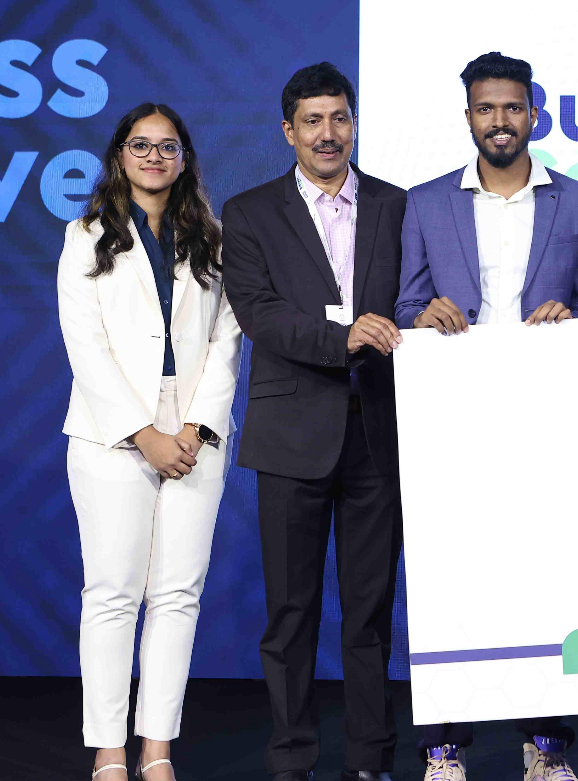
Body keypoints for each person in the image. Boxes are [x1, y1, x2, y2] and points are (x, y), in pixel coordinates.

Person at [395, 51, 578, 781]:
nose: (500, 120)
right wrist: (423, 314)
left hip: (543, 420)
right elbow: (405, 304)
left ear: (533, 115)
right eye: (486, 108)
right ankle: (444, 748)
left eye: (512, 107)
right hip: (451, 421)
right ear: (468, 118)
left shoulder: (577, 200)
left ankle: (544, 746)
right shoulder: (427, 202)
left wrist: (573, 317)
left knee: (542, 582)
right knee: (445, 582)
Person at [220, 63, 408, 781]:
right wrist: (344, 337)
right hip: (291, 436)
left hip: (379, 434)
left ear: (353, 123)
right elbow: (259, 314)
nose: (328, 134)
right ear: (288, 131)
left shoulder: (396, 205)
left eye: (339, 118)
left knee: (369, 613)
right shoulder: (249, 213)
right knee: (291, 614)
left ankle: (370, 759)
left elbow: (413, 298)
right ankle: (292, 759)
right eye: (313, 121)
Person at [58, 102, 242, 781]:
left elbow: (227, 336)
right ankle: (109, 751)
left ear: (184, 158)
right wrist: (144, 433)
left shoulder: (212, 238)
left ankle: (156, 748)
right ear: (120, 155)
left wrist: (193, 426)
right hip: (112, 430)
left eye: (168, 146)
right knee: (112, 592)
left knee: (177, 594)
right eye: (141, 145)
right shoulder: (85, 235)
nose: (154, 156)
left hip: (195, 426)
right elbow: (85, 344)